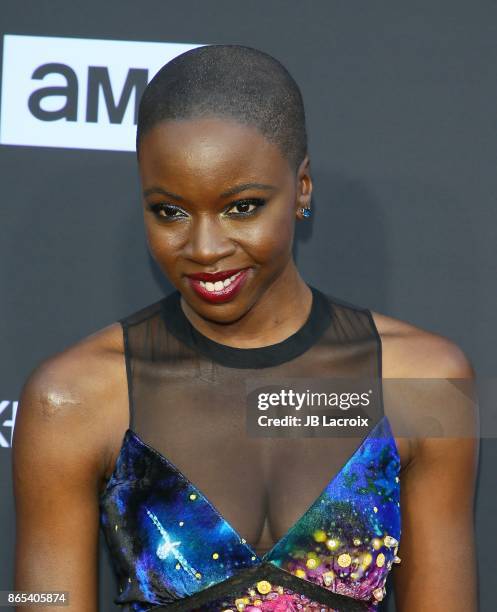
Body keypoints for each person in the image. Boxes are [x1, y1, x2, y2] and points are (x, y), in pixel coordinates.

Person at [13, 44, 479, 611]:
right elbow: (37, 597)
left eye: (242, 207)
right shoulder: (71, 399)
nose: (205, 249)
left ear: (302, 187)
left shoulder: (428, 381)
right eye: (169, 211)